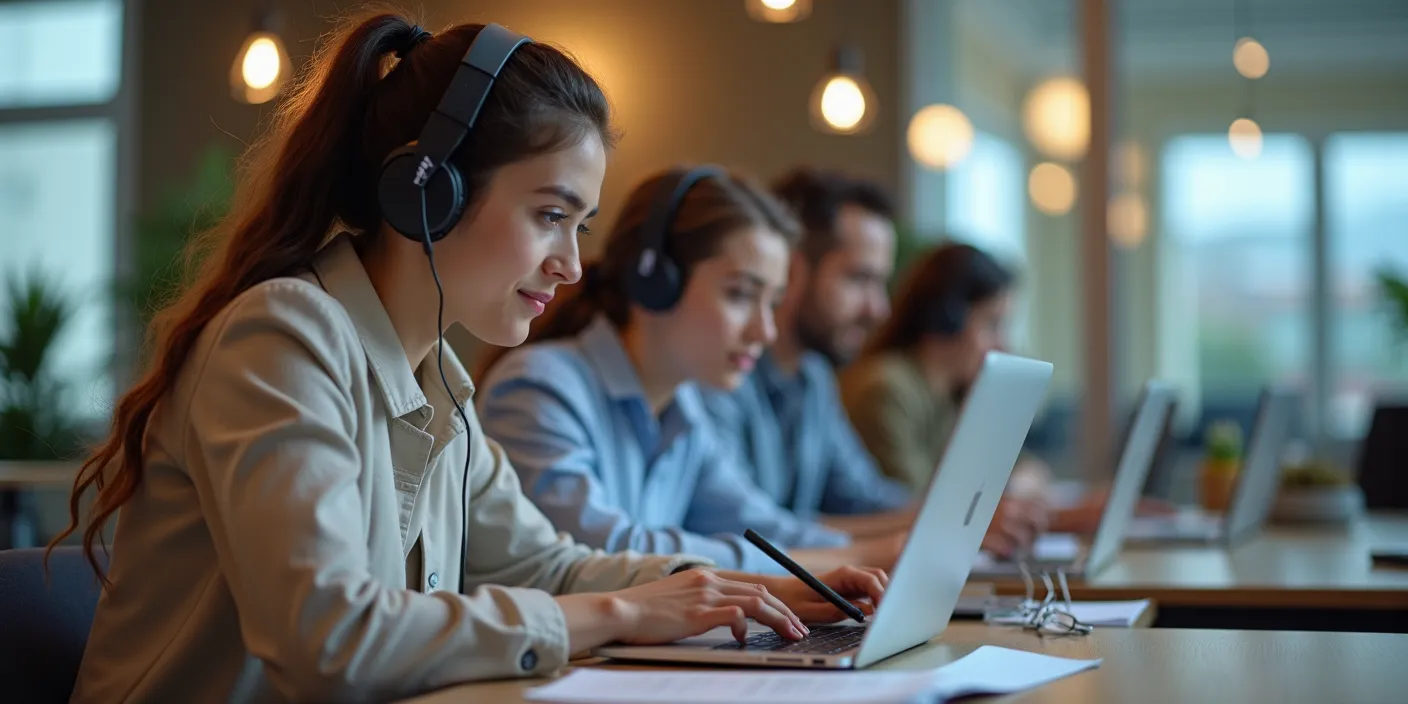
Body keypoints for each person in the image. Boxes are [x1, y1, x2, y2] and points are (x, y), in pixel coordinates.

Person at [49, 15, 884, 703]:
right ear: (427, 189)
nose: (572, 265)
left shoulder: (439, 377)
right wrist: (619, 612)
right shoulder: (282, 339)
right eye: (550, 214)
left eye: (580, 224)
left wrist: (732, 592)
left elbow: (544, 565)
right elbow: (328, 639)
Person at [476, 166, 907, 577]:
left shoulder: (684, 410)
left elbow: (763, 528)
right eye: (740, 295)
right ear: (655, 282)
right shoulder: (539, 386)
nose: (765, 330)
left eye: (772, 303)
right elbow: (610, 548)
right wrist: (854, 556)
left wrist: (879, 554)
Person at [699, 168, 1047, 556]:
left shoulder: (813, 380)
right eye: (858, 279)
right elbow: (755, 530)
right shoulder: (715, 379)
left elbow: (867, 499)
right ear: (792, 272)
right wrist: (948, 525)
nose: (879, 309)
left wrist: (962, 520)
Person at [839, 242, 1140, 535]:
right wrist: (1061, 515)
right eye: (991, 324)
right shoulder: (886, 391)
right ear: (947, 317)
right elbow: (920, 512)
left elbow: (1023, 470)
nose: (1002, 344)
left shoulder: (950, 395)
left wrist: (1013, 489)